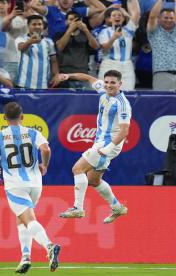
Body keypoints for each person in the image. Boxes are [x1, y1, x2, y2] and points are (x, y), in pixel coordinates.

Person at [0, 102, 61, 274]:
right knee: (21, 219)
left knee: (28, 219)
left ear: (4, 118)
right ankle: (25, 257)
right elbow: (46, 149)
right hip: (35, 184)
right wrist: (44, 165)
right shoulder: (33, 132)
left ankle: (49, 245)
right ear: (22, 117)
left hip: (15, 185)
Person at [56, 70, 130, 224]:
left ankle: (77, 208)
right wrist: (68, 76)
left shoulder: (122, 104)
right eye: (107, 82)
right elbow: (88, 77)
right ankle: (117, 207)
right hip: (101, 142)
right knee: (94, 180)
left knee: (77, 169)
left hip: (109, 143)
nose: (109, 85)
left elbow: (124, 131)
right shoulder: (103, 90)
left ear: (120, 84)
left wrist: (108, 149)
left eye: (113, 83)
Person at [97, 0, 140, 90]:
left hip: (127, 66)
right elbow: (105, 49)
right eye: (114, 15)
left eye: (119, 15)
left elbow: (136, 14)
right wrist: (113, 38)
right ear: (109, 19)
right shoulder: (105, 32)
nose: (117, 17)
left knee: (127, 94)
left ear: (123, 18)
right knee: (107, 94)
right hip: (109, 64)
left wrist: (124, 12)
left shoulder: (128, 30)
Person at [54, 11, 99, 89]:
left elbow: (96, 47)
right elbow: (60, 47)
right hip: (64, 76)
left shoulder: (86, 34)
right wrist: (70, 30)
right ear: (66, 22)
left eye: (76, 20)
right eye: (71, 19)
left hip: (83, 76)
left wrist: (86, 30)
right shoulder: (59, 34)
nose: (73, 22)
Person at [16, 15, 59, 89]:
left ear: (43, 26)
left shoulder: (49, 42)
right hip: (24, 83)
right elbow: (21, 48)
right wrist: (30, 41)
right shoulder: (21, 39)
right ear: (28, 26)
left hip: (43, 84)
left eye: (40, 24)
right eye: (34, 24)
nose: (37, 27)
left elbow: (54, 61)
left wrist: (56, 75)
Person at [29, 0, 105, 39]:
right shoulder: (51, 10)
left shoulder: (78, 11)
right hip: (55, 52)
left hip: (73, 52)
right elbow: (32, 5)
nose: (65, 0)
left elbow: (102, 8)